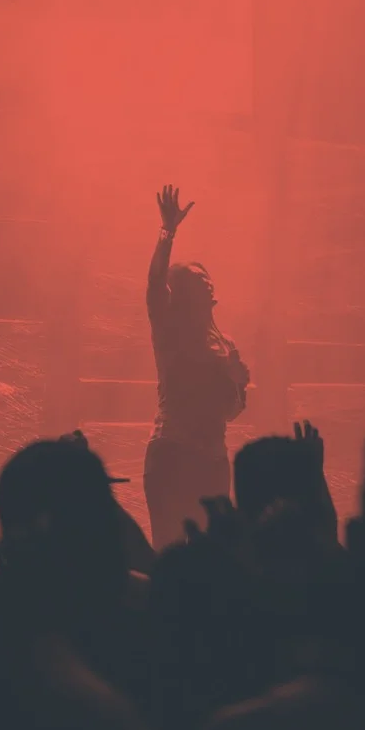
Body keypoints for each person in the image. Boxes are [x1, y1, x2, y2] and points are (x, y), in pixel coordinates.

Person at [143, 185, 250, 550]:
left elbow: (231, 411)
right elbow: (154, 282)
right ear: (180, 291)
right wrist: (167, 233)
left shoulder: (226, 344)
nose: (205, 278)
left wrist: (237, 384)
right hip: (172, 454)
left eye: (207, 275)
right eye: (195, 275)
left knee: (213, 555)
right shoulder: (168, 329)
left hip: (213, 461)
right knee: (170, 551)